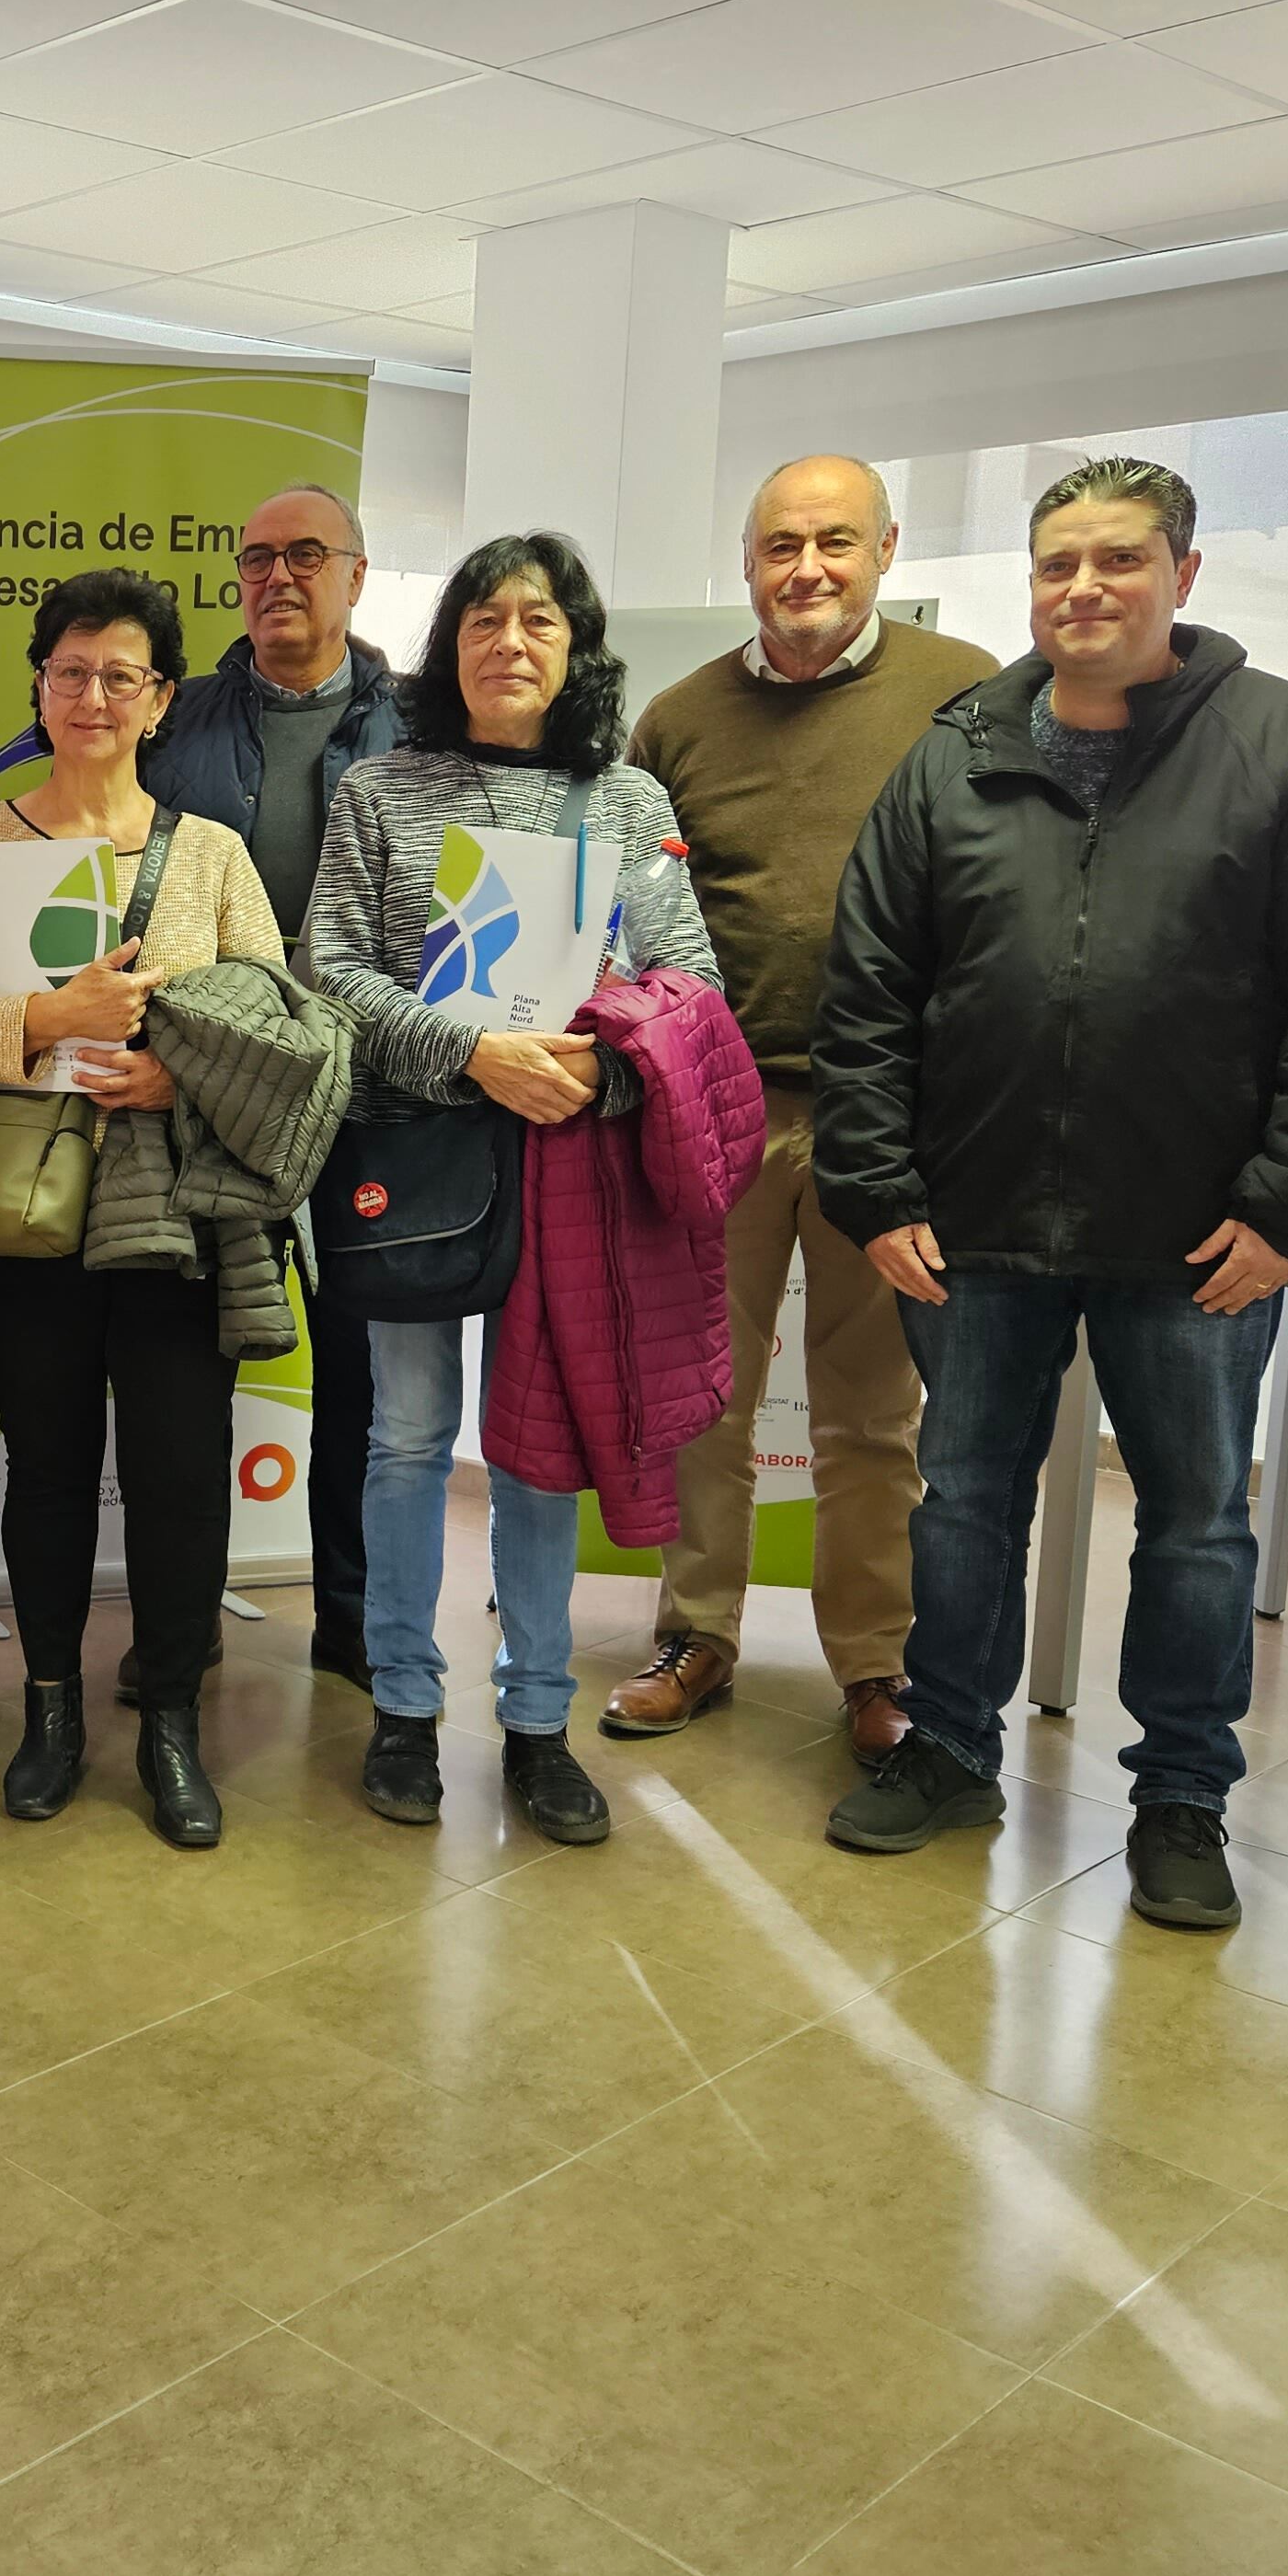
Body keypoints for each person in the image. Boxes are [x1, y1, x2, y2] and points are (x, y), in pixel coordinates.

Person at [817, 456, 1288, 1930]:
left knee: (1200, 1522)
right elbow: (873, 987)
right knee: (960, 1504)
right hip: (972, 1222)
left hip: (1199, 1236)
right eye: (1057, 564)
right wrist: (878, 1183)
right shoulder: (953, 755)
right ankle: (952, 1747)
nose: (1083, 589)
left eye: (1119, 561)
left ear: (1184, 579)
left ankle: (1183, 1797)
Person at [307, 531, 721, 1846]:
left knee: (539, 1459)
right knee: (407, 1442)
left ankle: (539, 1719)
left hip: (572, 1171)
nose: (509, 643)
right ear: (451, 649)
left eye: (538, 621)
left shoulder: (631, 804)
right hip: (421, 1158)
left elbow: (690, 986)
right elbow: (329, 972)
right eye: (483, 620)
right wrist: (475, 1052)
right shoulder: (380, 791)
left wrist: (583, 1074)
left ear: (575, 648)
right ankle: (405, 1710)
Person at [604, 457, 999, 1758]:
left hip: (891, 1116)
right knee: (704, 1395)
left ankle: (875, 1666)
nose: (807, 569)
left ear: (887, 549)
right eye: (782, 545)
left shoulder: (970, 698)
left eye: (836, 541)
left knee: (872, 1415)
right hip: (715, 1104)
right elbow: (626, 911)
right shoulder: (676, 718)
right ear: (748, 559)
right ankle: (697, 1630)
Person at [0, 568, 294, 1846]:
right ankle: (52, 1712)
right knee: (52, 1465)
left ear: (160, 700)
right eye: (69, 671)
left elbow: (277, 1021)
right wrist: (41, 1020)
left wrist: (171, 1067)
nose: (90, 695)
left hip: (172, 1208)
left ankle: (173, 1725)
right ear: (38, 685)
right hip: (17, 1214)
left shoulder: (213, 854)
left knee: (186, 1470)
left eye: (118, 675)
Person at [144, 484, 405, 1702]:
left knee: (360, 1374)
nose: (279, 577)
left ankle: (352, 1625)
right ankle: (179, 1631)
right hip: (209, 1094)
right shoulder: (177, 719)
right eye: (256, 558)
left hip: (373, 1096)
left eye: (307, 554)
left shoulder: (420, 726)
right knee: (194, 1372)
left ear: (358, 573)